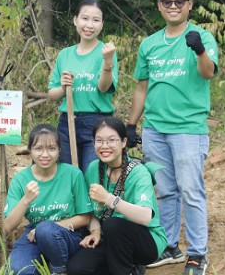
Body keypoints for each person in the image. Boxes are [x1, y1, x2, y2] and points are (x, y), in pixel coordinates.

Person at [126, 0, 218, 275]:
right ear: (159, 6)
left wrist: (200, 51)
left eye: (180, 1)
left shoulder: (201, 36)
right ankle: (168, 246)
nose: (174, 6)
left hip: (188, 128)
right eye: (168, 1)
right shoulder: (150, 43)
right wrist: (131, 124)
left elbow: (208, 74)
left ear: (190, 4)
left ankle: (197, 254)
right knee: (165, 190)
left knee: (191, 190)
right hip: (155, 129)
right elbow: (142, 87)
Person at [66, 117, 167, 275]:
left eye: (111, 140)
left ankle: (128, 268)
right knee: (76, 268)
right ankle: (131, 269)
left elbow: (145, 217)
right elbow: (90, 209)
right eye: (99, 140)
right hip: (110, 239)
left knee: (113, 224)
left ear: (123, 142)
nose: (104, 146)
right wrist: (95, 231)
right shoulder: (94, 168)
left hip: (145, 241)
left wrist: (108, 199)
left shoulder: (138, 172)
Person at [4, 124, 93, 275]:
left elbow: (85, 218)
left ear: (59, 151)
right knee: (18, 270)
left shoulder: (73, 174)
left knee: (46, 229)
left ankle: (60, 270)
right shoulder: (21, 179)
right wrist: (25, 200)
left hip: (68, 235)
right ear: (30, 151)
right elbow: (7, 226)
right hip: (33, 236)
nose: (45, 154)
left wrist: (43, 230)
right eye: (38, 148)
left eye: (51, 148)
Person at [48, 0, 118, 174]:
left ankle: (93, 203)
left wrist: (107, 62)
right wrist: (63, 87)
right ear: (75, 20)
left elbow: (103, 87)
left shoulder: (106, 52)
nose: (89, 25)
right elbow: (52, 94)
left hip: (96, 123)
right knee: (67, 175)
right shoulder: (65, 54)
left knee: (91, 173)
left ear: (102, 24)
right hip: (67, 122)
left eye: (96, 20)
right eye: (85, 18)